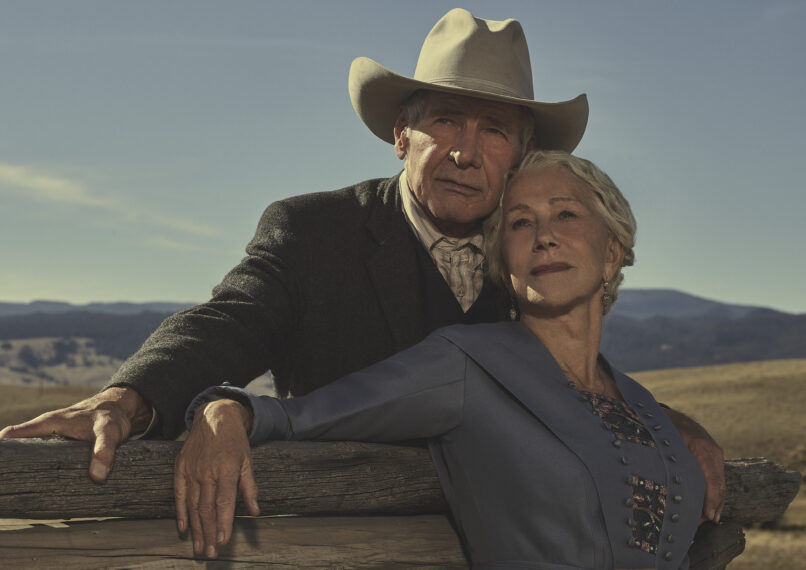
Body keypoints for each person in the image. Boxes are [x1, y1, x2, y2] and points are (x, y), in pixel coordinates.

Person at [0, 7, 723, 543]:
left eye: (494, 129)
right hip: (330, 540)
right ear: (402, 134)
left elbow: (567, 374)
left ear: (521, 155)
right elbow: (231, 320)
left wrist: (663, 425)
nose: (467, 152)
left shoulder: (530, 257)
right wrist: (131, 398)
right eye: (446, 121)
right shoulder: (315, 231)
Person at [180, 150, 704, 569]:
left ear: (611, 252)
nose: (544, 235)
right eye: (521, 223)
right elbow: (306, 416)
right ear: (504, 262)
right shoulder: (465, 364)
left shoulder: (640, 403)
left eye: (566, 214)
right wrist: (226, 409)